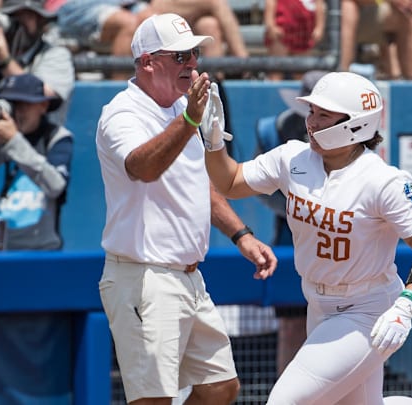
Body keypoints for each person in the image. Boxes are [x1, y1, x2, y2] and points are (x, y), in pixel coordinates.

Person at [203, 71, 412, 404]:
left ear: (356, 123)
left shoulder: (384, 180)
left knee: (284, 401)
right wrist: (213, 144)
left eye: (322, 114)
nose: (310, 121)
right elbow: (229, 182)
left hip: (369, 309)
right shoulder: (292, 157)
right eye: (311, 112)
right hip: (318, 304)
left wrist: (406, 305)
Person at [95, 13, 277, 404]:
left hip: (188, 277)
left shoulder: (182, 108)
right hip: (144, 277)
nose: (192, 62)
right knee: (154, 400)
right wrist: (191, 118)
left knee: (220, 387)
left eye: (193, 53)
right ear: (147, 62)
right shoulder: (122, 112)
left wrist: (241, 235)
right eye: (179, 56)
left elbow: (199, 183)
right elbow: (143, 167)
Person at [255, 70, 327, 375]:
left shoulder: (353, 133)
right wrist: (304, 208)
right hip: (289, 239)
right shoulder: (274, 130)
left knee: (331, 328)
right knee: (291, 326)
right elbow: (263, 191)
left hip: (335, 243)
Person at [0, 73, 72, 251]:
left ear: (43, 105)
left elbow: (56, 186)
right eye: (12, 103)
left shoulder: (56, 138)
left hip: (36, 254)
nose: (17, 111)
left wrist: (13, 141)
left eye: (24, 103)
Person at [53, 0, 140, 79]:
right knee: (128, 23)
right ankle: (119, 90)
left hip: (126, 4)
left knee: (150, 19)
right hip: (76, 5)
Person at [263, 0, 326, 81]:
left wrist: (319, 27)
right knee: (276, 71)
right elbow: (270, 2)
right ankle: (274, 91)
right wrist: (270, 25)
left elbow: (319, 4)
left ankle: (301, 93)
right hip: (281, 32)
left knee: (302, 74)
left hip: (304, 34)